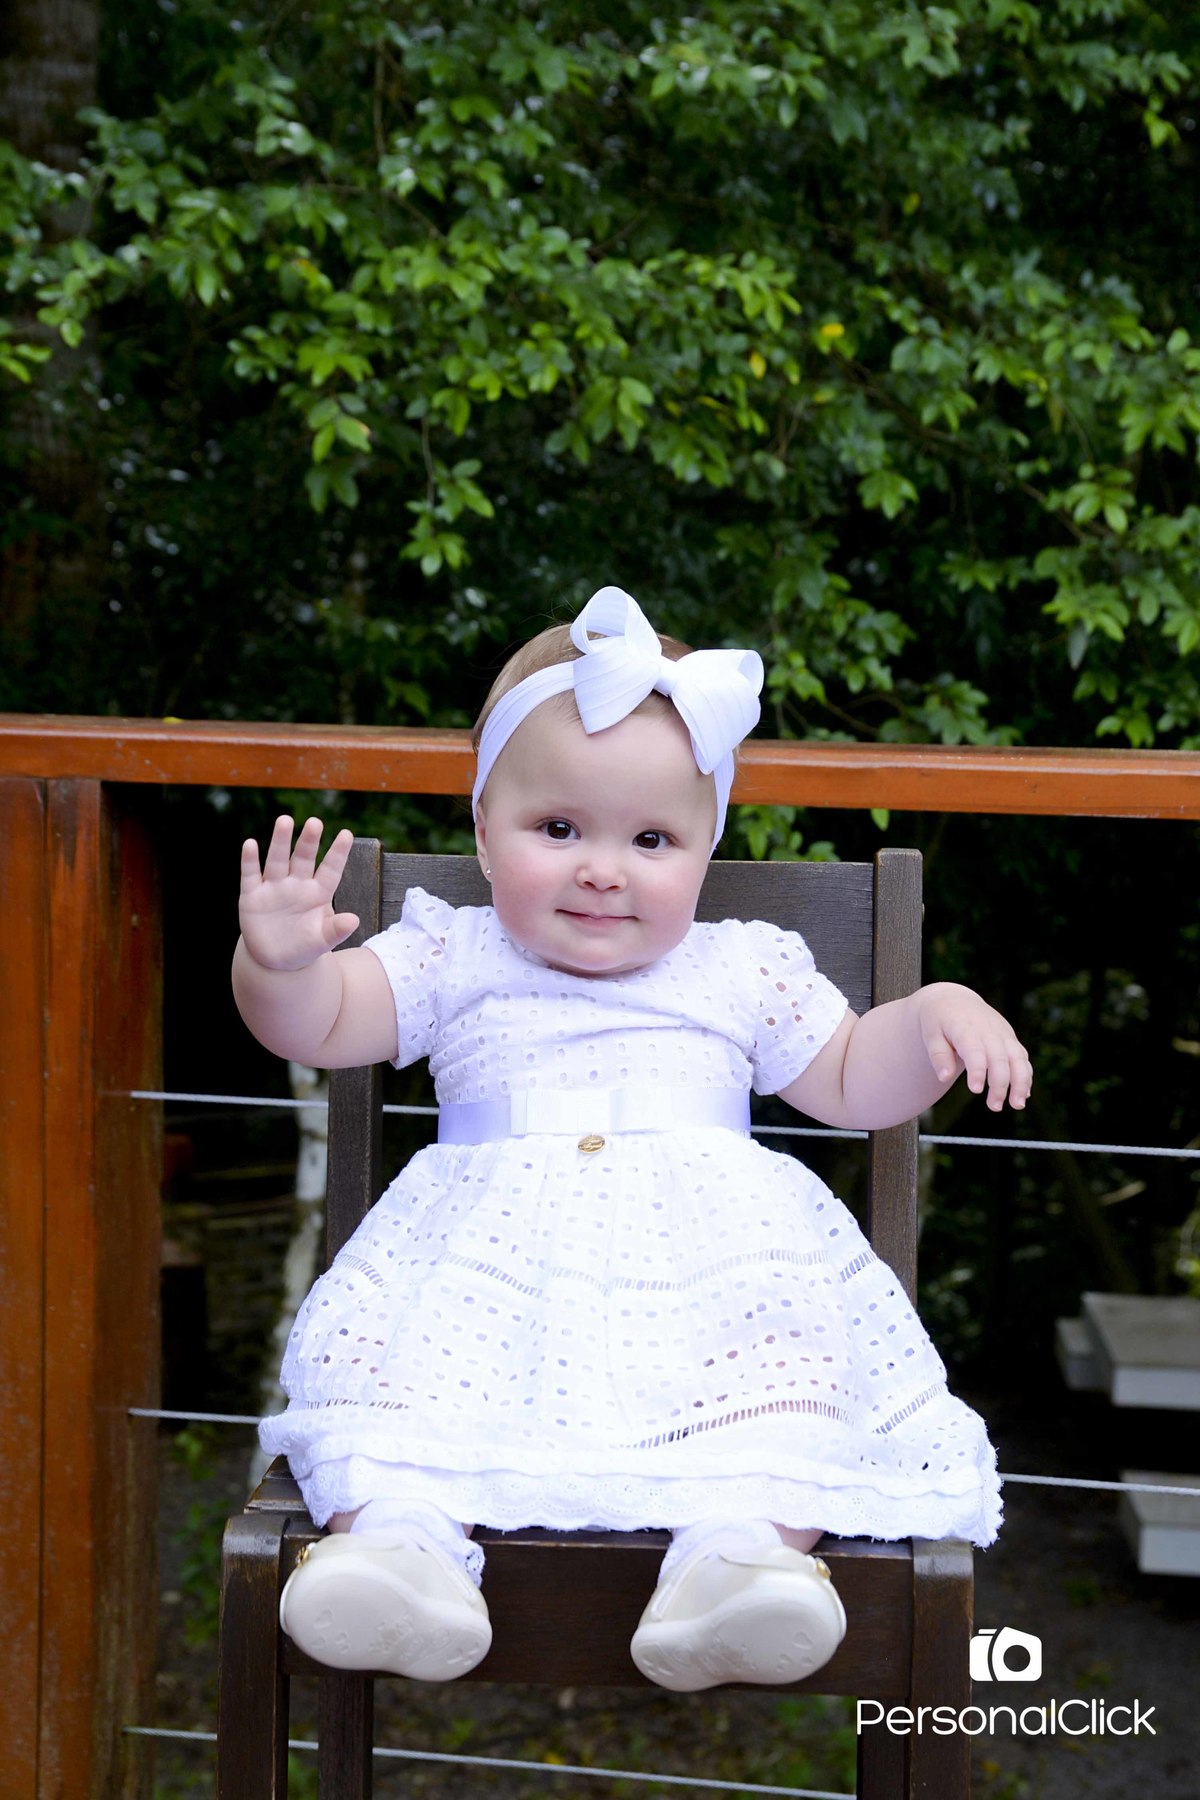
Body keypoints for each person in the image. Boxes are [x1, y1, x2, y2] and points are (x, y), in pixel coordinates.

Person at [234, 585, 1031, 1692]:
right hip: (486, 1287)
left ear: (707, 847)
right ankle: (401, 1552)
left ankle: (735, 1562)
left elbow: (853, 1079)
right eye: (558, 829)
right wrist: (279, 964)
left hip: (710, 1281)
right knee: (391, 1381)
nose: (603, 868)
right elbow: (320, 1023)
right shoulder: (452, 955)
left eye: (652, 839)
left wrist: (935, 1013)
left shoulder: (743, 965)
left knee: (788, 1381)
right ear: (484, 829)